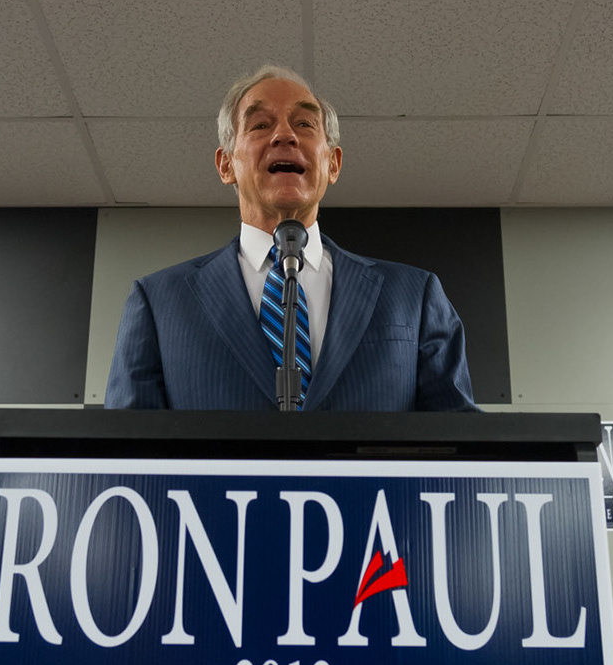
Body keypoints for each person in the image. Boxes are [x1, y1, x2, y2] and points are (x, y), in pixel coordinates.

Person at [105, 65, 478, 411]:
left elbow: (463, 451)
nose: (285, 135)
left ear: (332, 164)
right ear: (225, 164)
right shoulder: (158, 302)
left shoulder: (413, 295)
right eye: (260, 125)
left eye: (304, 124)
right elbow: (123, 457)